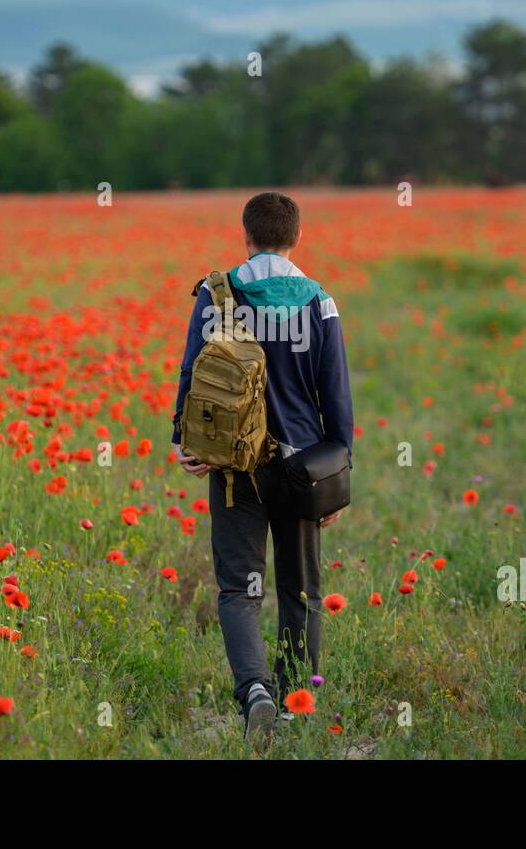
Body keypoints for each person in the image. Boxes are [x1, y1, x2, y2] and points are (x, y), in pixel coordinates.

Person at [170, 191, 354, 746]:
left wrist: (185, 439)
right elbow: (337, 398)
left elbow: (190, 373)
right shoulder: (320, 302)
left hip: (233, 468)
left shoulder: (216, 293)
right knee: (300, 591)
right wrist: (335, 480)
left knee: (239, 590)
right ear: (297, 237)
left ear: (244, 235)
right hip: (301, 469)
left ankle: (256, 691)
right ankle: (297, 700)